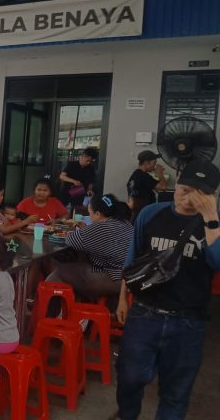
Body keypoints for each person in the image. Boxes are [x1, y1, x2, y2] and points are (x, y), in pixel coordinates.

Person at [114, 160, 220, 420]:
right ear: (177, 183)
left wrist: (211, 219)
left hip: (188, 321)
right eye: (184, 190)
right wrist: (122, 299)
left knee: (176, 392)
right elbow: (132, 260)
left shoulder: (214, 224)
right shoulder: (151, 213)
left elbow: (217, 262)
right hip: (144, 313)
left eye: (198, 194)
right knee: (129, 378)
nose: (188, 198)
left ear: (211, 196)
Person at [46, 194, 133, 303]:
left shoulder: (102, 227)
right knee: (80, 261)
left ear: (97, 214)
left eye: (89, 213)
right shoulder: (124, 224)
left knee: (60, 272)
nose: (89, 217)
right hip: (128, 276)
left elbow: (71, 240)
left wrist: (74, 231)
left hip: (115, 278)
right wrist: (86, 229)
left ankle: (47, 310)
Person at [126, 150, 167, 219]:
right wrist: (160, 173)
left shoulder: (135, 175)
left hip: (136, 213)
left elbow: (157, 188)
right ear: (146, 163)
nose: (154, 166)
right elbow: (163, 187)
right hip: (144, 213)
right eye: (154, 163)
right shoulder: (144, 176)